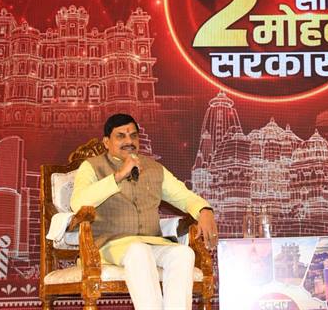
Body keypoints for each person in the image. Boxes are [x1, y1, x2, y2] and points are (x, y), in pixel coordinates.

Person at [70, 113, 218, 310]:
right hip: (110, 245)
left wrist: (204, 210)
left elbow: (184, 196)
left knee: (183, 254)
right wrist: (119, 175)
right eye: (121, 136)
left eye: (133, 136)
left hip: (152, 242)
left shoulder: (154, 168)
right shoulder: (92, 167)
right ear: (106, 142)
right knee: (138, 251)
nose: (129, 141)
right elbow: (78, 203)